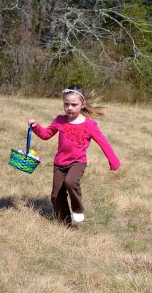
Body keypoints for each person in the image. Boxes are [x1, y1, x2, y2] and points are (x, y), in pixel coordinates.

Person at [28, 85, 121, 226]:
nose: (69, 108)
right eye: (66, 104)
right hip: (59, 163)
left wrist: (113, 161)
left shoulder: (89, 125)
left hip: (77, 162)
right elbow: (46, 135)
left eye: (74, 104)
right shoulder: (60, 120)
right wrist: (36, 127)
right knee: (56, 196)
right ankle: (65, 223)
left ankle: (78, 209)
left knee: (70, 182)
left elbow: (104, 143)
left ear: (82, 104)